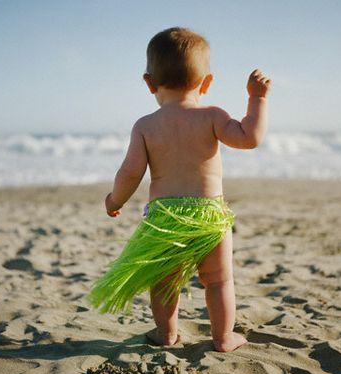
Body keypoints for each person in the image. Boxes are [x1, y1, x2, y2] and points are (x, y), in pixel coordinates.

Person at [87, 27, 271, 352]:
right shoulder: (212, 116)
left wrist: (114, 200)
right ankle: (224, 337)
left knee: (164, 282)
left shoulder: (145, 126)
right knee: (218, 282)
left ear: (149, 83)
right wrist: (257, 99)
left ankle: (167, 334)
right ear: (207, 82)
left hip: (165, 220)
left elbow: (130, 173)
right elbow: (249, 138)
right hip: (209, 217)